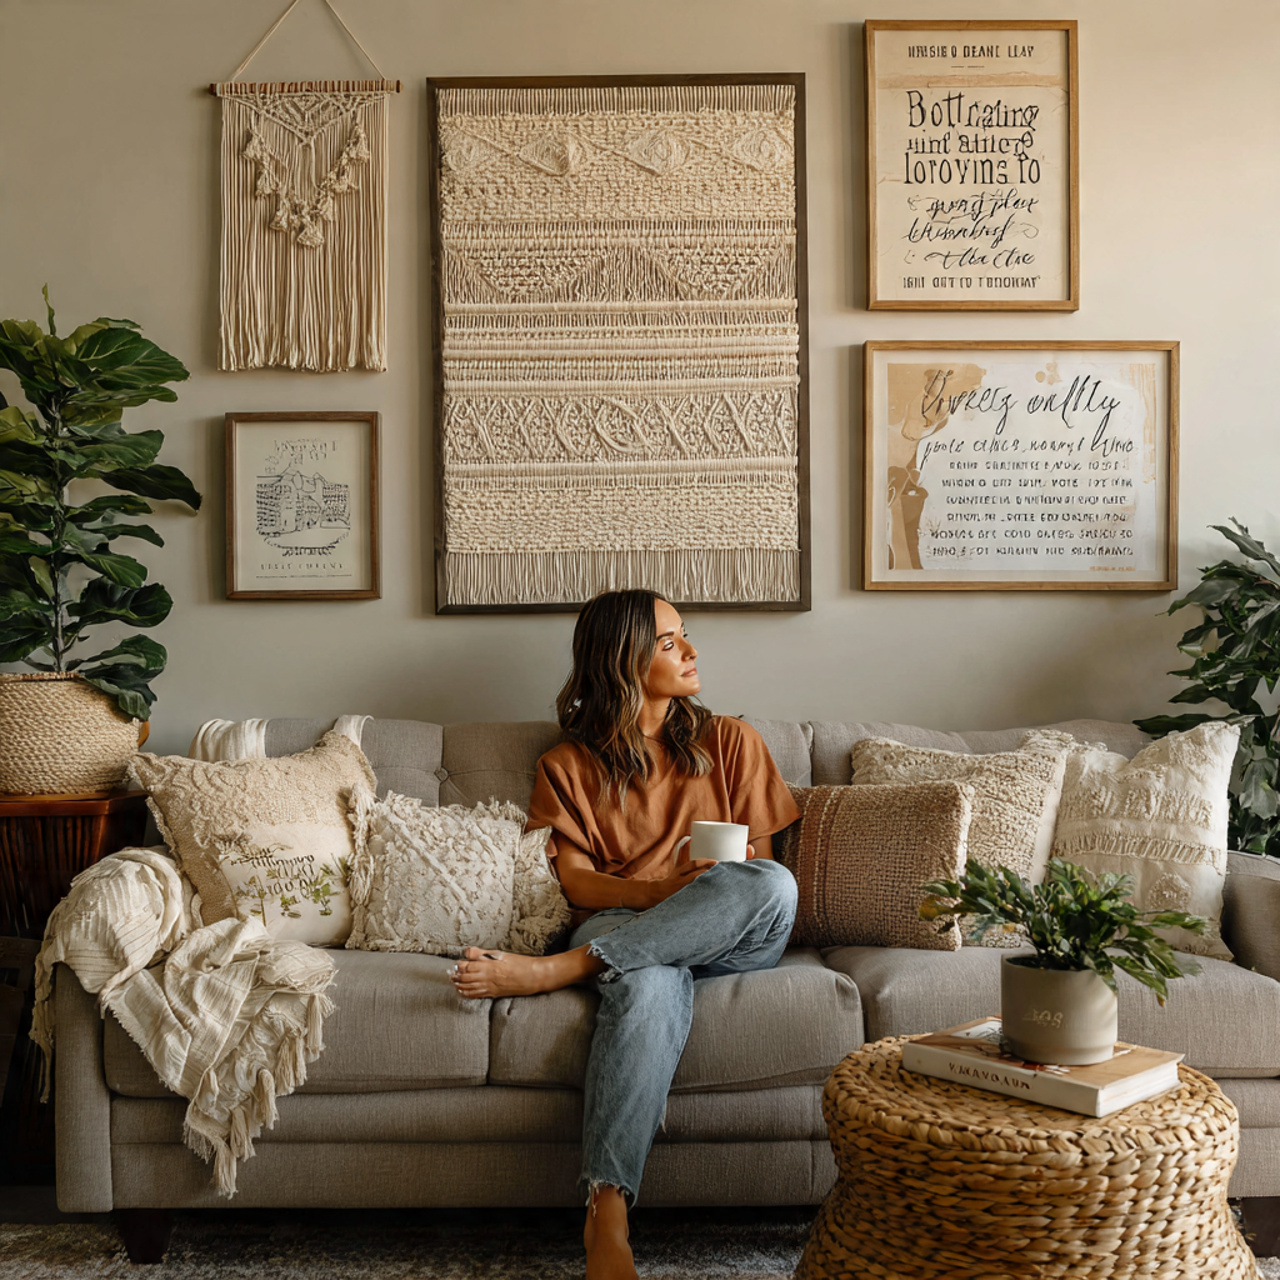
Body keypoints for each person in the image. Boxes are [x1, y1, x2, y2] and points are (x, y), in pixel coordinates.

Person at [450, 588, 801, 1280]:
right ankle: (606, 1214)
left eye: (684, 637)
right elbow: (576, 882)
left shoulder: (729, 741)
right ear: (624, 660)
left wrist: (701, 888)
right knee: (645, 984)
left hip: (730, 927)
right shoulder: (570, 763)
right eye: (671, 643)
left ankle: (563, 969)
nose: (692, 653)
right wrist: (658, 893)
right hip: (628, 925)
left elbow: (760, 868)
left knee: (775, 886)